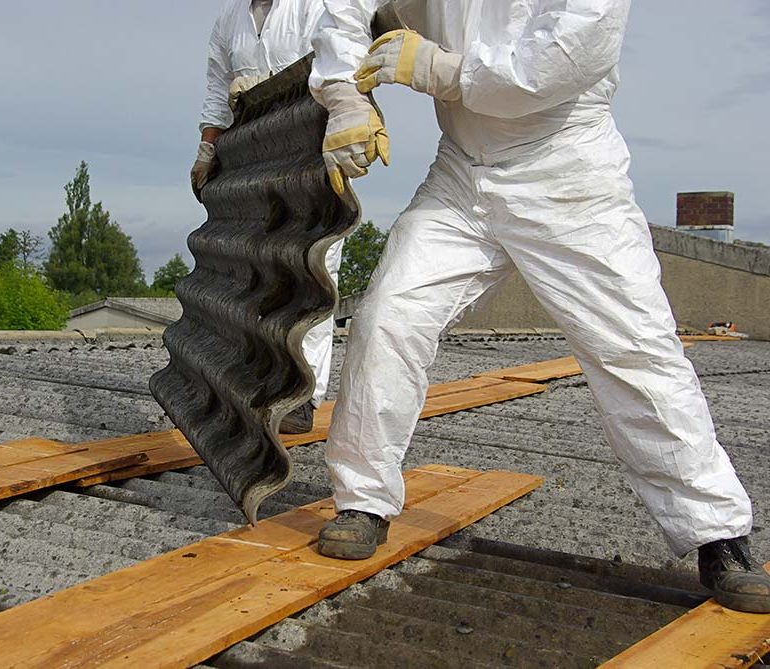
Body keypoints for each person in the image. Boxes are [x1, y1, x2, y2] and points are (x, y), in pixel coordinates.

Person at [308, 0, 769, 613]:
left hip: (567, 171)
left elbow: (553, 64)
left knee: (633, 347)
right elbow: (345, 8)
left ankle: (717, 533)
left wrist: (439, 70)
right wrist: (345, 98)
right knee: (388, 315)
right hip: (460, 174)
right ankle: (362, 499)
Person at [193, 0, 342, 434]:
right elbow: (217, 88)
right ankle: (256, 381)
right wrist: (208, 147)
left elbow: (344, 62)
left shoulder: (316, 6)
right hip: (254, 153)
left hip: (312, 145)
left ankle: (303, 395)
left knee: (313, 267)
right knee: (256, 268)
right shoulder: (230, 20)